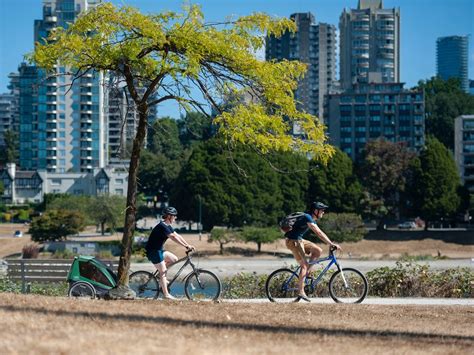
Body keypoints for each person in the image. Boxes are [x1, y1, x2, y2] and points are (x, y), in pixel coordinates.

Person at [284, 201, 341, 302]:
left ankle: (307, 273)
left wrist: (330, 243)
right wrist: (331, 244)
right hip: (293, 241)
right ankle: (301, 292)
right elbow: (318, 233)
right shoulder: (307, 217)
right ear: (315, 211)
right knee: (304, 265)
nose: (323, 212)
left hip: (299, 240)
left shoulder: (310, 218)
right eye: (322, 210)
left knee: (318, 250)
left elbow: (320, 232)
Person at [145, 206, 195, 300]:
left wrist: (188, 244)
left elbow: (177, 235)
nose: (175, 218)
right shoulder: (162, 226)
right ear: (169, 216)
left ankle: (160, 275)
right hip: (153, 252)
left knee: (174, 259)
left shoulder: (167, 226)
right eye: (174, 216)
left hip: (158, 251)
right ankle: (166, 295)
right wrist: (185, 246)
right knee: (163, 271)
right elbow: (172, 237)